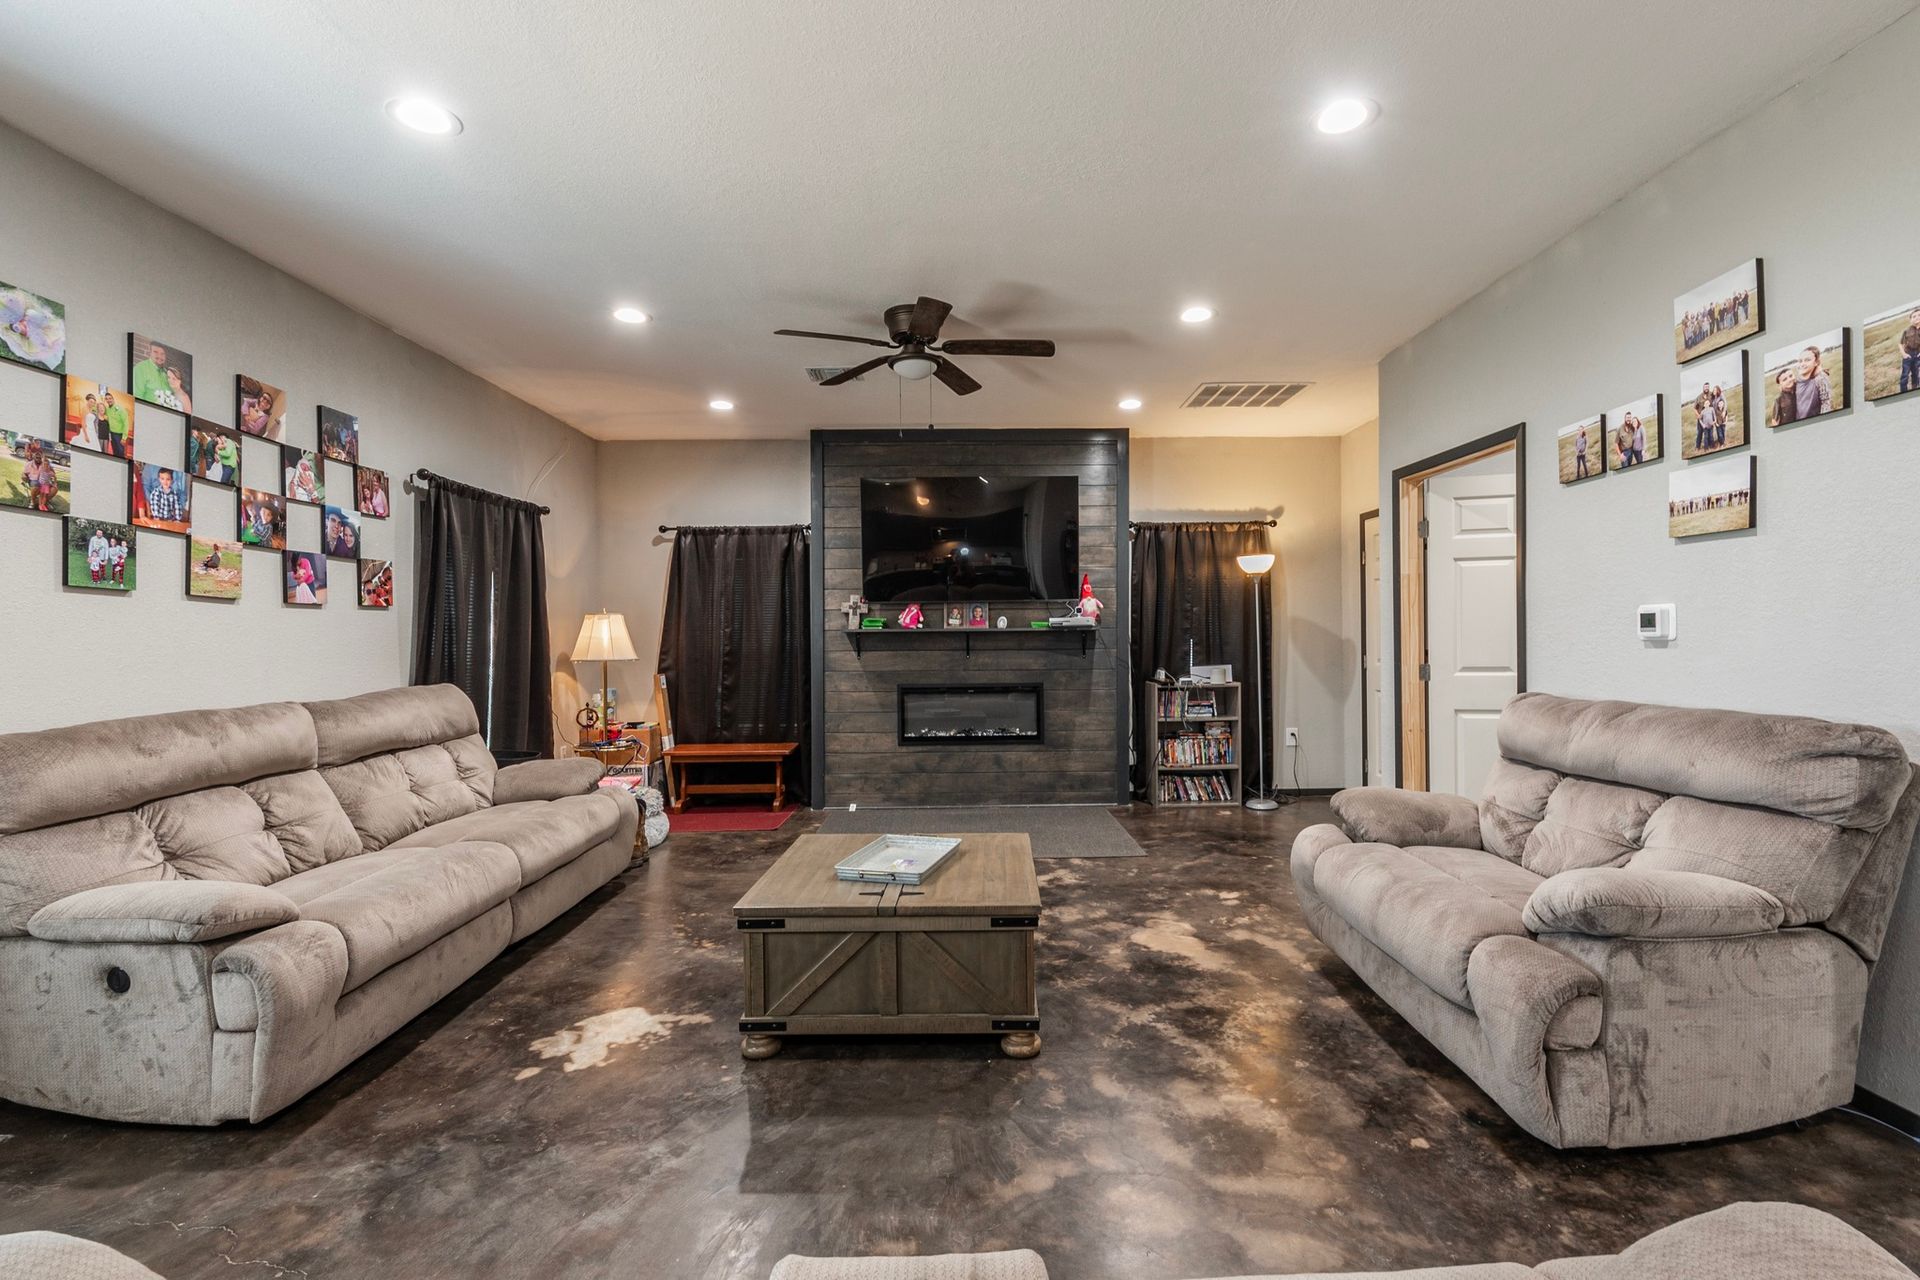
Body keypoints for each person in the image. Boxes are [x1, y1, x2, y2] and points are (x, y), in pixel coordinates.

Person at [1793, 345, 1833, 420]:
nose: (1802, 364)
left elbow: (1826, 403)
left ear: (1816, 362)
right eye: (1800, 361)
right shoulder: (1797, 380)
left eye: (1807, 360)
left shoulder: (1820, 378)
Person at [102, 391, 131, 458]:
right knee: (114, 451)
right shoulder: (107, 409)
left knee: (120, 452)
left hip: (119, 435)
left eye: (110, 398)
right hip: (111, 434)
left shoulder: (121, 409)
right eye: (106, 399)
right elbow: (100, 410)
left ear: (113, 399)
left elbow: (126, 424)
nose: (108, 400)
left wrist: (124, 437)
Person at [1900, 307, 1920, 396]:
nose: (1917, 317)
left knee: (1915, 374)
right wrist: (1904, 354)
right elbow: (1900, 343)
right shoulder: (1907, 331)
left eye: (1919, 315)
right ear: (1910, 320)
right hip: (1908, 355)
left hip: (1918, 355)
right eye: (1914, 316)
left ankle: (1914, 390)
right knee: (1905, 375)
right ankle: (1903, 392)